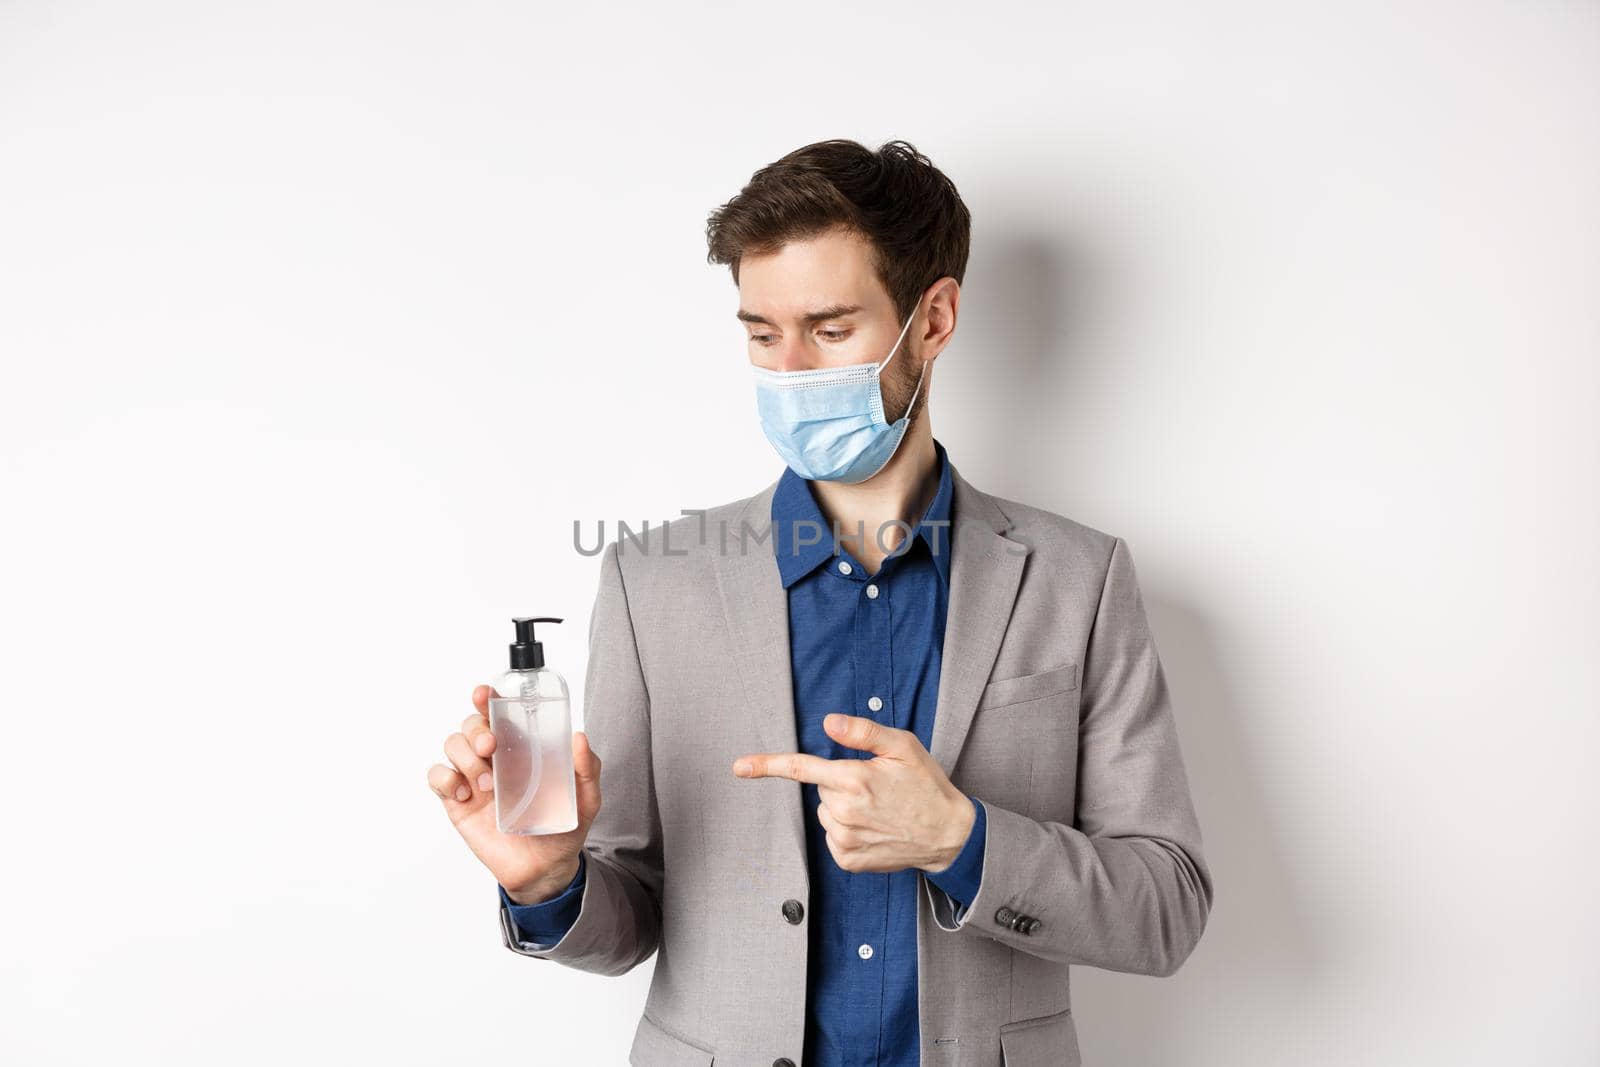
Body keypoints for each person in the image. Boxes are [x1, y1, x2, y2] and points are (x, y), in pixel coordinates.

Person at [428, 138, 1214, 1067]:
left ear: (934, 319)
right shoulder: (654, 582)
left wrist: (962, 839)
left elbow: (1165, 907)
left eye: (831, 330)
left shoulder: (1079, 580)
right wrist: (550, 879)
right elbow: (633, 908)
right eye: (763, 333)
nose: (792, 370)